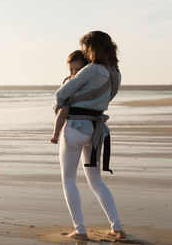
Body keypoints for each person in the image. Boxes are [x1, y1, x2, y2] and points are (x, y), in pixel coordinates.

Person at [53, 31, 126, 240]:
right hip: (96, 132)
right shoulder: (116, 73)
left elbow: (61, 94)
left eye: (86, 49)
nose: (85, 53)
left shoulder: (93, 69)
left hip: (75, 128)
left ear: (93, 48)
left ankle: (80, 230)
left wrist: (61, 107)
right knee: (96, 182)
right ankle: (117, 228)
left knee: (68, 180)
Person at [50, 50, 89, 144]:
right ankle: (55, 134)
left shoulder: (86, 79)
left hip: (79, 107)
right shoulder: (69, 80)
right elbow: (61, 93)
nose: (74, 72)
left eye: (78, 69)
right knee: (63, 110)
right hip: (66, 104)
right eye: (71, 69)